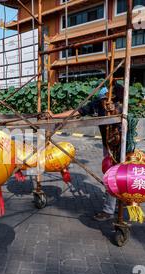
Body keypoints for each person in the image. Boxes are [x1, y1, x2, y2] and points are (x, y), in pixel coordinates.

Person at [46, 83, 125, 222]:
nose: (105, 103)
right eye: (103, 100)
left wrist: (115, 110)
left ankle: (109, 210)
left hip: (122, 145)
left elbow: (125, 119)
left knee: (115, 176)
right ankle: (117, 202)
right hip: (108, 146)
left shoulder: (121, 104)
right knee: (112, 175)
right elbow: (78, 111)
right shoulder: (98, 104)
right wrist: (54, 116)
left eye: (107, 100)